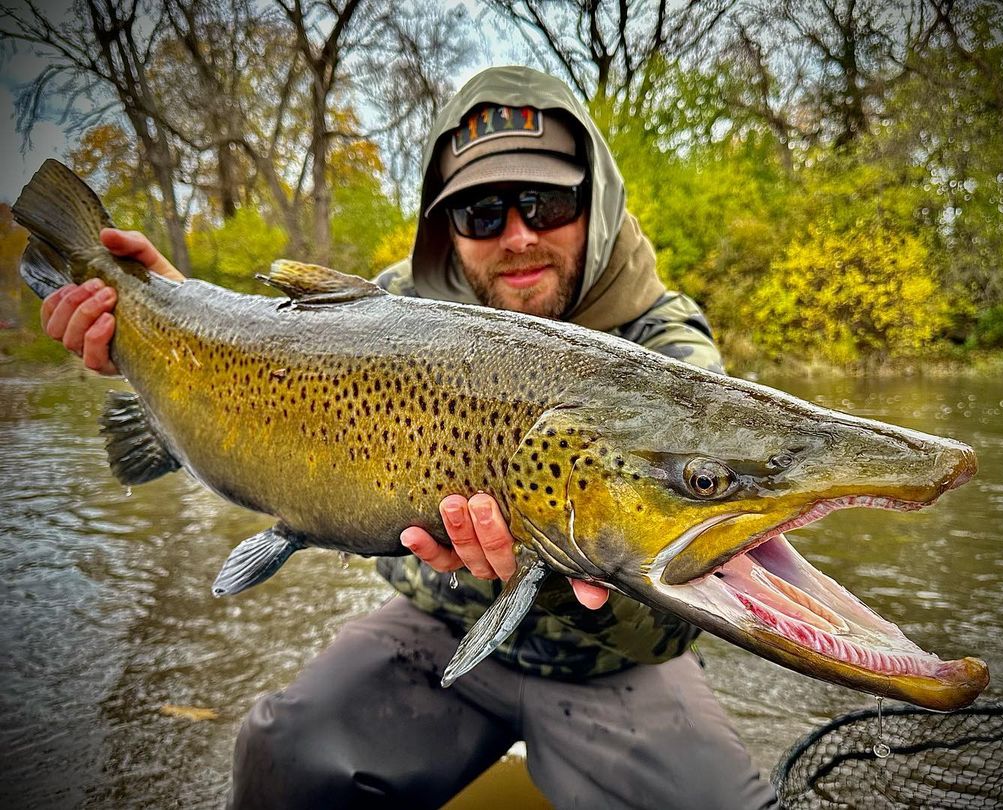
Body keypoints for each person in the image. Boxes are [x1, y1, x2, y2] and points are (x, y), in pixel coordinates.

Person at [41, 66, 777, 808]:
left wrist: (549, 567)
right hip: (435, 623)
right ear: (444, 225)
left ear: (599, 203)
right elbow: (268, 366)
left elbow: (680, 619)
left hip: (617, 664)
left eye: (547, 204)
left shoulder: (669, 354)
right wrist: (167, 316)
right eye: (482, 214)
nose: (518, 237)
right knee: (281, 751)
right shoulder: (400, 308)